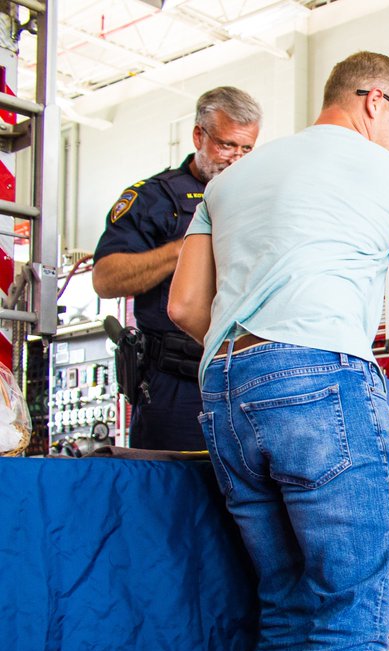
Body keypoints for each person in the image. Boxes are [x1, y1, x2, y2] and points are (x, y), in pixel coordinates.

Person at [166, 52, 389, 651]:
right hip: (322, 379)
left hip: (225, 388)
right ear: (373, 101)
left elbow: (185, 308)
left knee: (287, 612)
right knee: (350, 618)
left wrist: (259, 362)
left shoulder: (227, 183)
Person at [93, 86, 261, 450]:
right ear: (199, 135)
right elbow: (106, 279)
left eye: (246, 149)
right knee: (166, 481)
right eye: (227, 145)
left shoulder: (260, 198)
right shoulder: (153, 198)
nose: (236, 159)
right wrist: (186, 248)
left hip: (244, 375)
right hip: (174, 383)